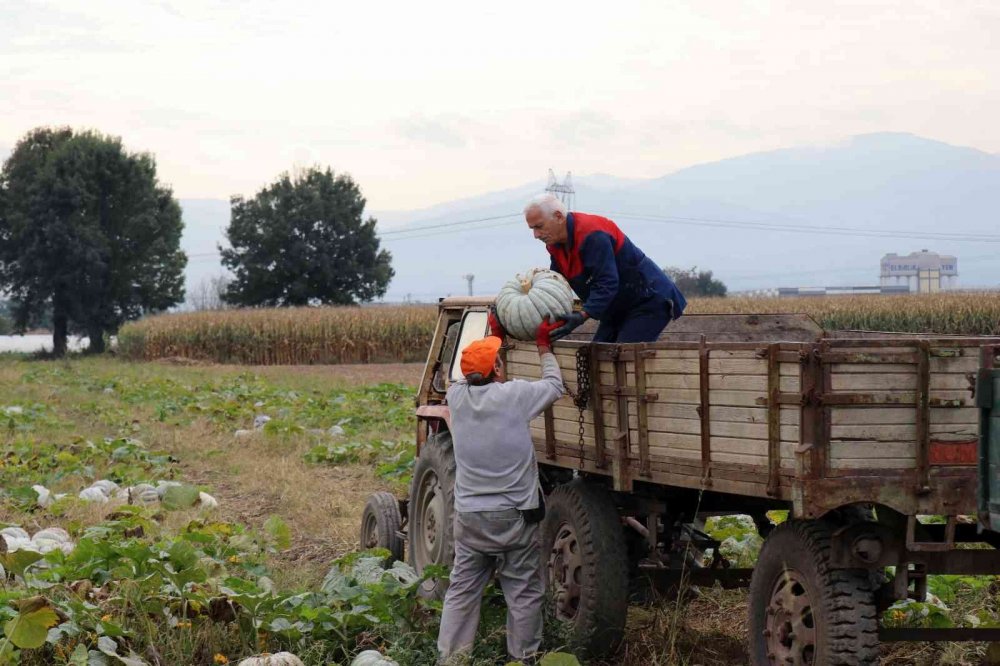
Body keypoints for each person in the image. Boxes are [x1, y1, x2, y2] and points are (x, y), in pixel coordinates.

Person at [437, 317, 564, 665]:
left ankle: (451, 660)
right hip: (514, 520)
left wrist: (494, 336)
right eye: (500, 360)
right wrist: (543, 347)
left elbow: (479, 370)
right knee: (523, 592)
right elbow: (555, 385)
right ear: (497, 367)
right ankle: (522, 659)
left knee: (462, 591)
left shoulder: (456, 397)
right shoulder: (515, 396)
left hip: (470, 519)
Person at [524, 192, 686, 343]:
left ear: (558, 216)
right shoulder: (555, 243)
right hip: (617, 307)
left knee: (623, 357)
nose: (536, 235)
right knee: (596, 355)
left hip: (647, 299)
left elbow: (607, 282)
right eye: (532, 229)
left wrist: (582, 315)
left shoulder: (593, 235)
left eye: (539, 226)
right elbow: (556, 283)